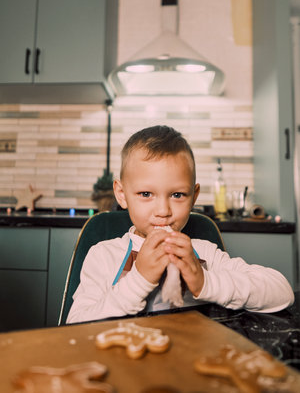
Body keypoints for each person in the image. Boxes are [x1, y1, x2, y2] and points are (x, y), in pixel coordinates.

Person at [67, 125, 294, 324]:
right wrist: (139, 279)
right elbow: (75, 325)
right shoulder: (104, 256)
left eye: (177, 195)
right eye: (146, 193)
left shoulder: (205, 254)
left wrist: (205, 281)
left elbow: (282, 292)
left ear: (194, 197)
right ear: (122, 194)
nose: (163, 211)